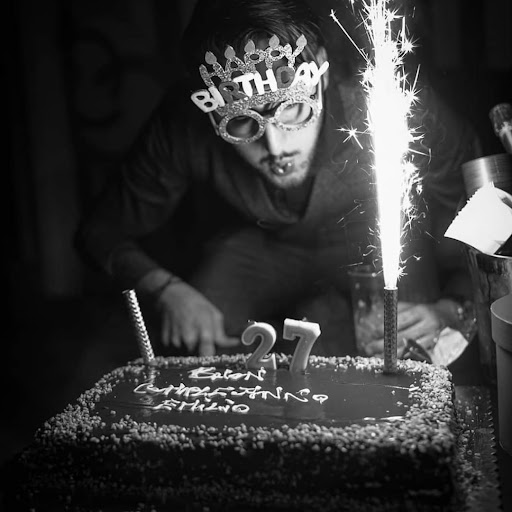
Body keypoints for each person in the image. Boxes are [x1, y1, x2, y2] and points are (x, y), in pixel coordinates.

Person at [76, 0, 481, 359]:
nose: (275, 146)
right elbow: (101, 231)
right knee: (200, 350)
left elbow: (480, 211)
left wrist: (457, 306)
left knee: (412, 344)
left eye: (292, 110)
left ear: (320, 76)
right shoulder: (181, 124)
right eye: (241, 122)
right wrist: (165, 289)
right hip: (261, 246)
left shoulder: (389, 100)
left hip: (372, 243)